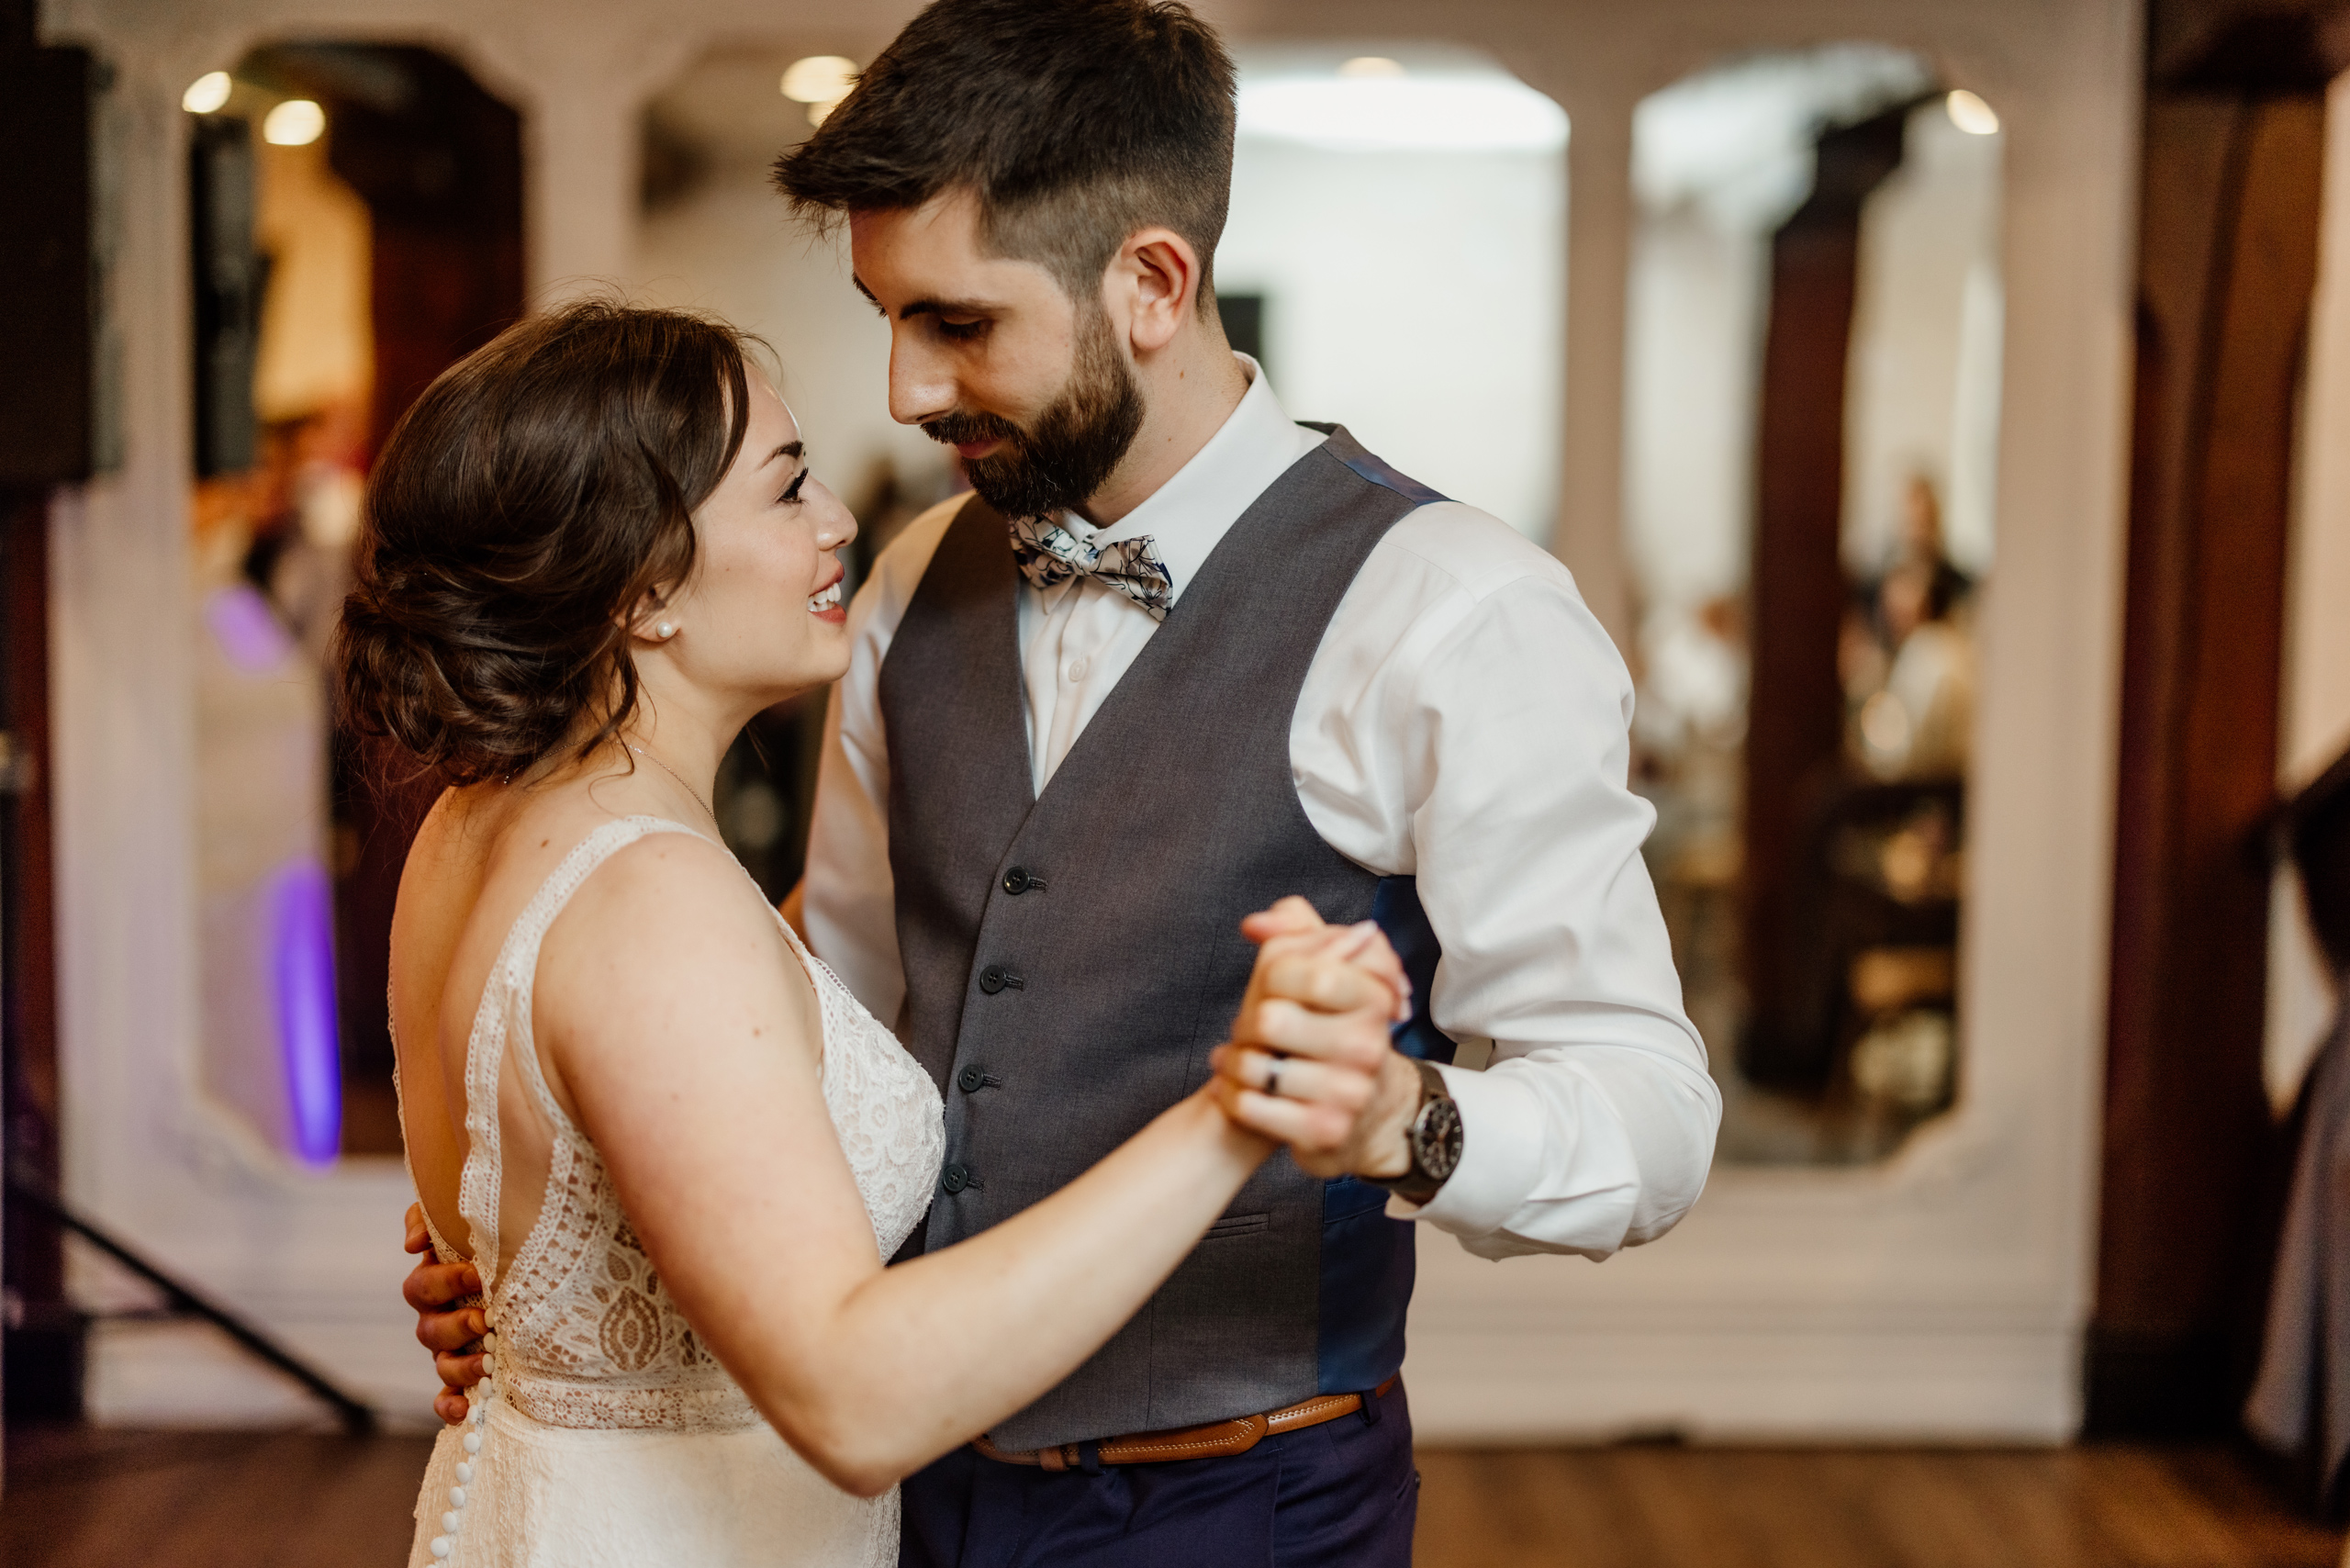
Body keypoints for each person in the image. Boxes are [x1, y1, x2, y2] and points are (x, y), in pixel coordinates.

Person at [415, 1, 1723, 1561]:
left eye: (957, 325)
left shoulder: (1455, 608)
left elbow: (1652, 1112)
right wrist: (575, 1235)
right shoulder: (901, 585)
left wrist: (1403, 1120)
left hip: (1243, 1497)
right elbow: (819, 1005)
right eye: (886, 317)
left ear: (1154, 283)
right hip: (885, 1482)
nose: (901, 391)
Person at [341, 301, 1414, 1567]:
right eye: (787, 489)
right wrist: (1239, 1110)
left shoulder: (475, 827)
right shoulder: (654, 904)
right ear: (642, 589)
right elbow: (853, 1401)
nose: (841, 519)